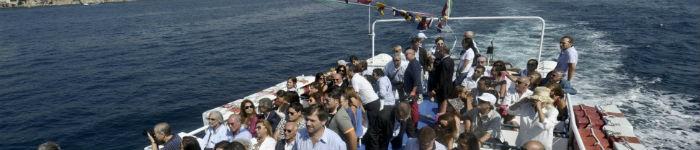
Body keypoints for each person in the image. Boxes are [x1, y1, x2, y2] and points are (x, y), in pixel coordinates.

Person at [428, 38, 456, 116]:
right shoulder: (450, 60)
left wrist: (435, 90)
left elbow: (442, 78)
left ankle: (441, 118)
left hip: (443, 88)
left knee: (442, 104)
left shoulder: (444, 62)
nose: (439, 52)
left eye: (441, 51)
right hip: (448, 86)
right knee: (445, 102)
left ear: (443, 51)